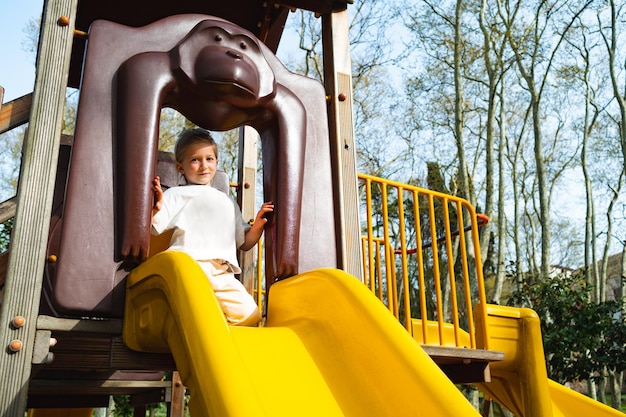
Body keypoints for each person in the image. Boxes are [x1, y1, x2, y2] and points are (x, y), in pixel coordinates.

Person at [151, 128, 272, 326]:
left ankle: (215, 339)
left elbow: (245, 241)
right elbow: (156, 227)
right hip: (189, 265)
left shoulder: (227, 201)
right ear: (181, 167)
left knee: (250, 315)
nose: (203, 165)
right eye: (195, 160)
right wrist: (155, 209)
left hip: (221, 272)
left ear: (216, 162)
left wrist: (258, 225)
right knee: (195, 311)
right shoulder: (175, 194)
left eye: (209, 159)